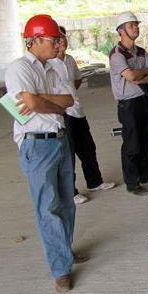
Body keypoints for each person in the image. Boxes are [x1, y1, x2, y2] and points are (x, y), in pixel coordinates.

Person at [5, 14, 88, 292]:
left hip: (61, 139)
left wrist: (44, 100)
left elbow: (68, 101)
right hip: (36, 145)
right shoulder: (18, 68)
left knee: (66, 202)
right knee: (48, 209)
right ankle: (60, 269)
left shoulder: (55, 68)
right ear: (36, 40)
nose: (58, 44)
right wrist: (44, 101)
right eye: (54, 39)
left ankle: (63, 250)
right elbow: (29, 103)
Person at [50, 26, 115, 205]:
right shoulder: (48, 64)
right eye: (58, 38)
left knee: (88, 148)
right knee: (68, 154)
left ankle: (95, 181)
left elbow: (77, 79)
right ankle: (71, 191)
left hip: (78, 110)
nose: (63, 40)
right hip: (64, 114)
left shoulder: (69, 60)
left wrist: (71, 95)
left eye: (64, 37)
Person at [109, 11, 148, 196]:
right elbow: (132, 75)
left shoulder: (141, 51)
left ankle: (146, 174)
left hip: (143, 99)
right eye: (131, 25)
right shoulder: (117, 54)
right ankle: (132, 183)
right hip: (128, 105)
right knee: (132, 144)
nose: (136, 28)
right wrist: (142, 73)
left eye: (136, 24)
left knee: (146, 140)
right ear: (121, 30)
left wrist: (141, 76)